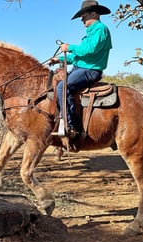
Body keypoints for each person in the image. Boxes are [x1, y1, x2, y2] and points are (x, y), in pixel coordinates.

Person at [50, 0, 112, 138]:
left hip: (90, 70)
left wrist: (69, 47)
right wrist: (59, 59)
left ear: (94, 14)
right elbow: (80, 56)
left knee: (62, 88)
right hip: (81, 67)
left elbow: (89, 50)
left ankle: (70, 126)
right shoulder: (91, 32)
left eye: (84, 15)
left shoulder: (100, 29)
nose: (82, 19)